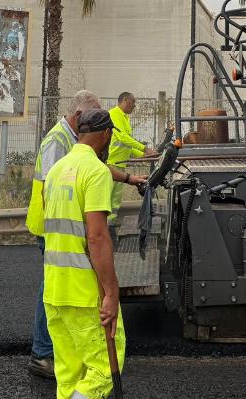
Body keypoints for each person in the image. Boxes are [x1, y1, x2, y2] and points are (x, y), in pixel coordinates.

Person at [26, 91, 145, 379]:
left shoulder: (77, 146)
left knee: (57, 288)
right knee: (55, 288)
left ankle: (61, 349)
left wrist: (129, 178)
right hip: (56, 227)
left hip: (65, 225)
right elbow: (52, 187)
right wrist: (111, 290)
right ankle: (42, 353)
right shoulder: (56, 141)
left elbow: (89, 167)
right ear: (80, 118)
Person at [43, 108, 125, 399]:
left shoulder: (55, 171)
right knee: (104, 366)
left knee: (68, 374)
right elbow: (97, 236)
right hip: (83, 290)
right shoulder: (96, 171)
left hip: (54, 289)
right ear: (106, 135)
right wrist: (111, 292)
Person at [107, 92, 155, 240]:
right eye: (133, 102)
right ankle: (106, 230)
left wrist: (143, 155)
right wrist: (144, 149)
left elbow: (125, 145)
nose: (135, 105)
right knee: (108, 199)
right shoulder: (114, 114)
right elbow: (122, 138)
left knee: (115, 200)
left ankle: (110, 228)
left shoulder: (124, 117)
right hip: (111, 164)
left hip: (119, 165)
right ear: (125, 100)